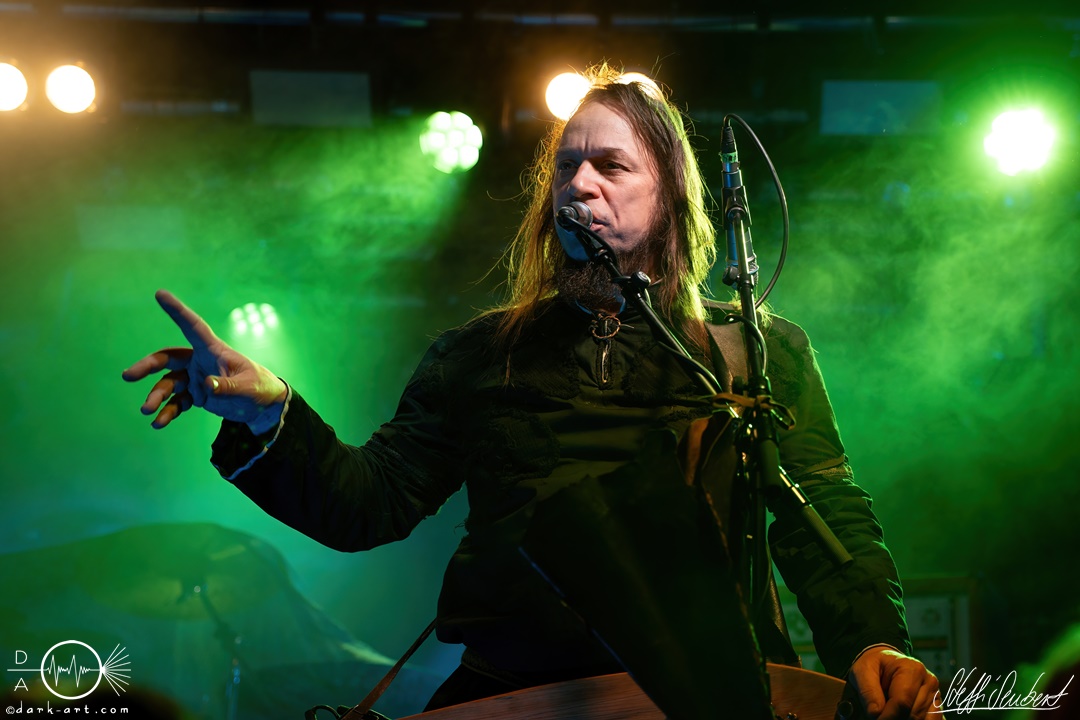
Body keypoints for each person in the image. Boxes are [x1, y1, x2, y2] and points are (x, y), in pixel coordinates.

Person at [123, 65, 940, 718]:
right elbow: (368, 504)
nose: (579, 185)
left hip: (713, 691)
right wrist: (270, 412)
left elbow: (824, 513)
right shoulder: (479, 355)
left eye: (610, 166)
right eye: (566, 167)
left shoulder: (755, 350)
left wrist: (873, 640)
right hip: (518, 691)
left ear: (669, 195)